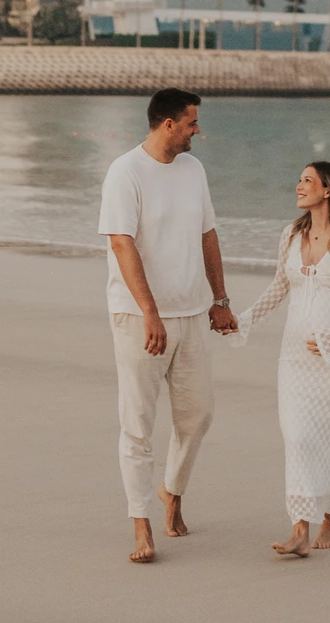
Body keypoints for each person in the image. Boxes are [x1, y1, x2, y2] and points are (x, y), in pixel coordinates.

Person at [98, 87, 238, 564]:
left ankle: (171, 491)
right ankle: (141, 526)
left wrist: (220, 300)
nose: (199, 130)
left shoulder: (193, 170)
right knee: (137, 424)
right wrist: (150, 314)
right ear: (168, 125)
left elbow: (208, 233)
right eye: (192, 123)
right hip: (140, 318)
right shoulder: (125, 172)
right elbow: (121, 243)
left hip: (192, 312)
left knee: (198, 415)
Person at [229, 160, 330, 556]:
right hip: (294, 359)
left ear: (328, 190)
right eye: (298, 179)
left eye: (307, 181)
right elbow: (279, 287)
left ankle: (328, 520)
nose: (298, 186)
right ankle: (299, 528)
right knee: (297, 437)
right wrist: (244, 319)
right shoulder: (290, 236)